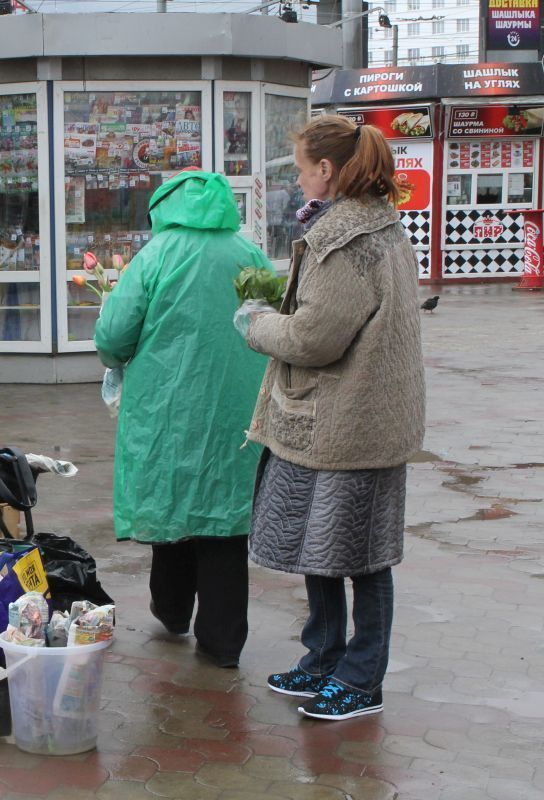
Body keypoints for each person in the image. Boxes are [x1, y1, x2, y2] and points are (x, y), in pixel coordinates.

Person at [241, 116, 425, 721]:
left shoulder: (342, 240)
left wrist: (258, 325)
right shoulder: (376, 225)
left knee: (362, 557)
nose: (296, 179)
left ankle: (361, 679)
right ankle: (323, 658)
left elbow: (317, 338)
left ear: (326, 171)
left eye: (299, 168)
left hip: (349, 424)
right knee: (322, 546)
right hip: (341, 421)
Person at [93, 170, 271, 669]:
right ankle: (223, 640)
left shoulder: (155, 256)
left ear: (164, 207)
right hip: (238, 407)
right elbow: (274, 319)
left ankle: (171, 610)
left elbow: (112, 338)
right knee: (225, 516)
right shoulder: (250, 254)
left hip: (167, 407)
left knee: (173, 507)